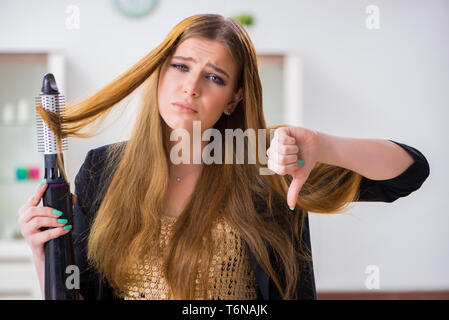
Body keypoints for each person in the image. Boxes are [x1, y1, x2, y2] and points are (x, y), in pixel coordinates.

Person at [18, 14, 429, 300]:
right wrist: (46, 256)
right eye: (180, 67)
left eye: (214, 77)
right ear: (159, 73)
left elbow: (408, 174)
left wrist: (324, 146)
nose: (191, 87)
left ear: (234, 98)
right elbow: (80, 293)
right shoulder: (102, 171)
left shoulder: (267, 163)